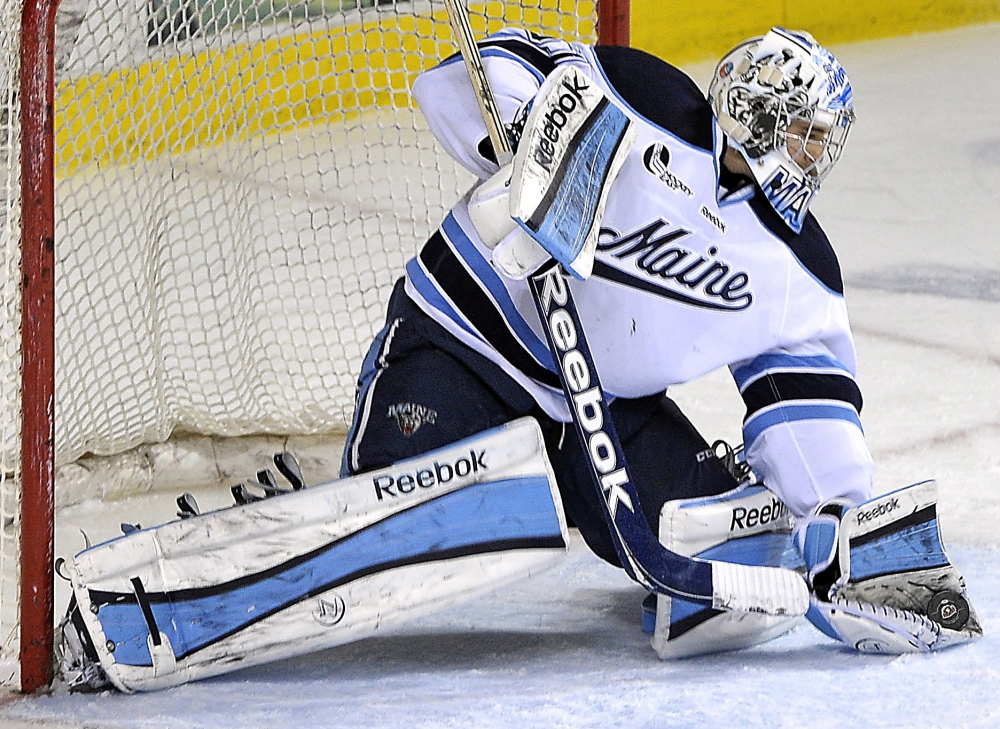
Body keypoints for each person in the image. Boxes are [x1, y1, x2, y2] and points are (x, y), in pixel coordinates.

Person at [342, 25, 981, 656]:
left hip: (606, 413)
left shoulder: (796, 269)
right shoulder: (640, 95)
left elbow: (804, 403)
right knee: (397, 509)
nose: (815, 159)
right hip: (467, 347)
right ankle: (321, 498)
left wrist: (838, 515)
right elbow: (482, 71)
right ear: (759, 115)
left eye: (823, 143)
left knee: (726, 539)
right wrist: (520, 137)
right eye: (807, 135)